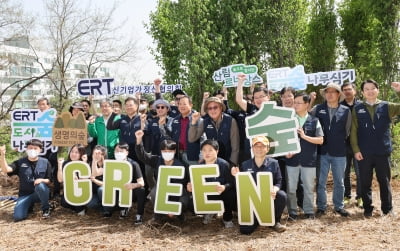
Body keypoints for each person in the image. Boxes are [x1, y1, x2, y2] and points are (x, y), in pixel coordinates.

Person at [350, 80, 400, 217]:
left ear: (377, 90)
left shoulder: (387, 106)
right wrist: (356, 150)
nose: (370, 91)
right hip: (364, 152)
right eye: (367, 89)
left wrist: (399, 91)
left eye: (373, 88)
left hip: (382, 151)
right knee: (365, 182)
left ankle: (387, 209)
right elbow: (353, 130)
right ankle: (367, 209)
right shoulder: (357, 108)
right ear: (362, 92)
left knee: (384, 181)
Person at [232, 136, 287, 234]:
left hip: (268, 198)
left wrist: (275, 189)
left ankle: (274, 221)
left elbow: (279, 181)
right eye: (256, 146)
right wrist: (236, 176)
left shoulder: (274, 163)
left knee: (282, 195)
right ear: (252, 148)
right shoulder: (245, 164)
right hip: (253, 201)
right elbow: (241, 187)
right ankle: (258, 219)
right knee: (245, 230)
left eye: (263, 146)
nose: (259, 149)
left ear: (268, 149)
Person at [311, 83, 351, 217]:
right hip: (322, 151)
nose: (330, 94)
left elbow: (347, 131)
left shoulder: (346, 110)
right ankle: (321, 207)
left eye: (333, 92)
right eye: (327, 92)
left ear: (338, 94)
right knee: (321, 181)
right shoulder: (318, 109)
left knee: (339, 181)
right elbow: (308, 120)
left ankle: (339, 206)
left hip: (339, 152)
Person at [135, 130, 188, 222]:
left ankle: (179, 213)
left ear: (174, 151)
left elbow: (183, 184)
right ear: (161, 151)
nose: (167, 153)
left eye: (169, 151)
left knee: (184, 200)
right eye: (164, 151)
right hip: (161, 189)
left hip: (176, 191)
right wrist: (139, 140)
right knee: (154, 193)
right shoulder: (157, 160)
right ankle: (158, 215)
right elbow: (142, 156)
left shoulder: (180, 165)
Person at [285, 93, 324, 220]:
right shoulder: (289, 120)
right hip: (292, 160)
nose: (295, 105)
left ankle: (308, 211)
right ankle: (293, 212)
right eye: (294, 102)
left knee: (308, 188)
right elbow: (283, 140)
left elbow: (320, 140)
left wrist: (304, 136)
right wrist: (286, 152)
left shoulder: (314, 120)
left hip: (309, 160)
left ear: (307, 104)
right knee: (291, 188)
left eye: (298, 103)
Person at [187, 139, 236, 228]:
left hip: (221, 193)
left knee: (231, 196)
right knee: (191, 203)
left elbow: (231, 182)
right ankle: (209, 211)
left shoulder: (223, 164)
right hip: (207, 195)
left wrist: (224, 187)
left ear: (217, 151)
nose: (207, 153)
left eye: (210, 150)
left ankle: (227, 218)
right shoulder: (199, 167)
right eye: (204, 150)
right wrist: (190, 187)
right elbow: (194, 184)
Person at [0, 139, 52, 221]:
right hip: (25, 194)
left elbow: (49, 180)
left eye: (35, 148)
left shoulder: (45, 162)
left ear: (40, 150)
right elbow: (6, 169)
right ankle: (29, 206)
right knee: (18, 217)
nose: (32, 150)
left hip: (39, 193)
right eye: (30, 148)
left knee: (41, 186)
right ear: (26, 149)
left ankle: (46, 208)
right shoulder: (20, 162)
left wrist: (42, 180)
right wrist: (2, 156)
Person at [189, 97, 240, 166]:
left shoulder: (230, 121)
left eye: (215, 107)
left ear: (221, 107)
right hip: (211, 162)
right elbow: (192, 139)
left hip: (228, 161)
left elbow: (235, 146)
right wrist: (194, 122)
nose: (212, 110)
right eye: (210, 108)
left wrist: (233, 164)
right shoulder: (205, 122)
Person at [340, 82, 363, 208]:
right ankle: (346, 196)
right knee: (345, 172)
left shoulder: (361, 105)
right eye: (344, 90)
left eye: (349, 89)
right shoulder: (339, 106)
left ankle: (360, 197)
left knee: (360, 173)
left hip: (359, 145)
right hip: (343, 145)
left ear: (354, 91)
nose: (347, 91)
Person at [167, 95, 200, 167]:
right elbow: (170, 136)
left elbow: (203, 138)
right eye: (180, 104)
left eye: (184, 104)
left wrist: (202, 155)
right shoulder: (175, 120)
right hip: (178, 154)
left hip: (193, 155)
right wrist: (162, 126)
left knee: (194, 176)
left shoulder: (197, 119)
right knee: (181, 176)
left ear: (191, 105)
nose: (182, 106)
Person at [57, 144, 87, 215]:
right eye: (72, 151)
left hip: (81, 192)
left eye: (76, 152)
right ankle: (75, 207)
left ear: (81, 154)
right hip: (69, 191)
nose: (73, 154)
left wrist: (84, 163)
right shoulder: (65, 163)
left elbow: (84, 181)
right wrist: (60, 166)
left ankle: (81, 208)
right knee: (64, 203)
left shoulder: (84, 164)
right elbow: (60, 180)